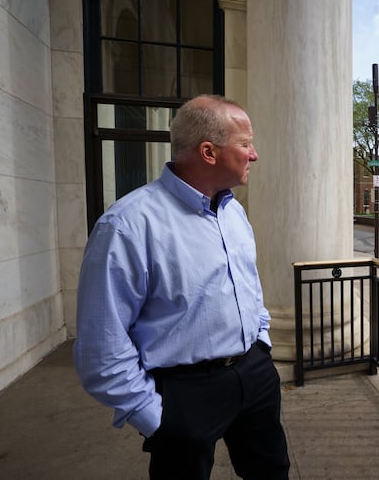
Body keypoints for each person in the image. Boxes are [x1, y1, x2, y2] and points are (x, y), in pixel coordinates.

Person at [73, 95, 290, 479]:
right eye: (245, 144)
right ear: (209, 152)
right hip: (183, 393)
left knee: (272, 472)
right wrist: (155, 417)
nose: (253, 155)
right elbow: (100, 347)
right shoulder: (127, 226)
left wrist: (261, 345)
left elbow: (247, 285)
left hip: (254, 377)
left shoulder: (233, 210)